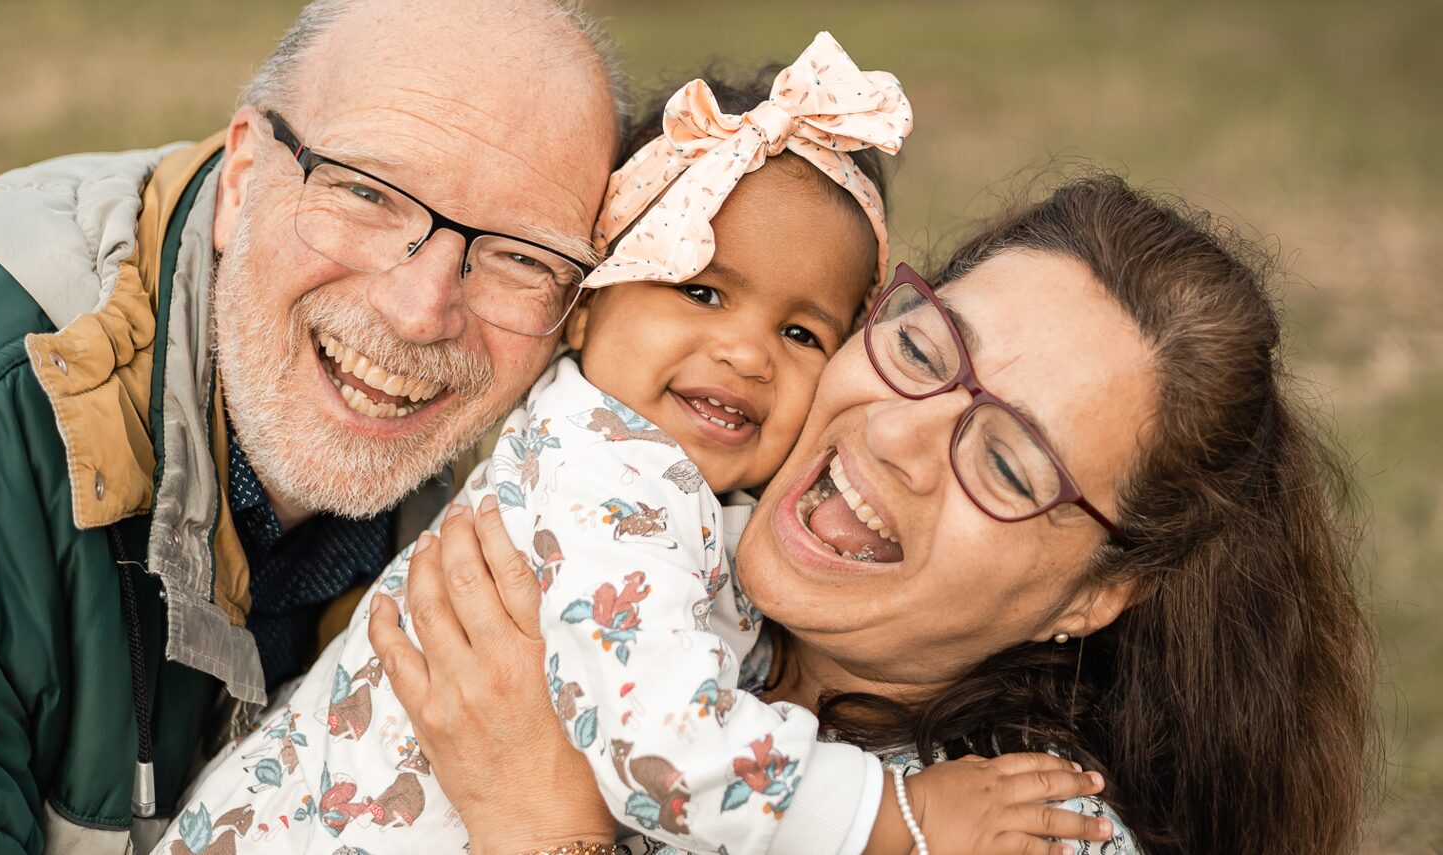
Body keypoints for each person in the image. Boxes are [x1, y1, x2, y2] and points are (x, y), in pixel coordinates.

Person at [160, 38, 1114, 855]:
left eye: (801, 334)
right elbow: (671, 754)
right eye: (700, 292)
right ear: (586, 306)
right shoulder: (606, 480)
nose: (744, 352)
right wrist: (900, 816)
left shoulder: (675, 477)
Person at [370, 175, 1378, 854]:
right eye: (924, 350)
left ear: (1094, 594)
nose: (898, 437)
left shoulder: (1022, 830)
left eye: (1007, 462)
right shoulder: (653, 525)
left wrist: (542, 822)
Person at [0, 1, 625, 852]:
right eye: (367, 193)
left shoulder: (559, 493)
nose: (420, 311)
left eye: (522, 256)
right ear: (243, 176)